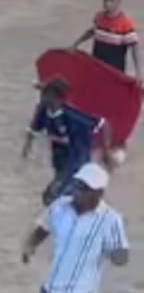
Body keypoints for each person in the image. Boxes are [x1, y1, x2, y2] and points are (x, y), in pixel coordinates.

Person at [22, 163, 129, 293]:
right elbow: (43, 229)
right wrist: (29, 247)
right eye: (77, 185)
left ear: (98, 193)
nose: (77, 192)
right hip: (49, 288)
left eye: (84, 189)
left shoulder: (110, 219)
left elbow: (122, 255)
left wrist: (116, 254)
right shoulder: (59, 206)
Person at [23, 77, 112, 205]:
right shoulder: (43, 110)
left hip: (77, 160)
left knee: (56, 197)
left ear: (55, 97)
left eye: (45, 93)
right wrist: (25, 151)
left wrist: (106, 152)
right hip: (60, 160)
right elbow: (33, 130)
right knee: (50, 196)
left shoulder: (72, 115)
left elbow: (103, 123)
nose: (41, 96)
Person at [73, 0, 140, 79]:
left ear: (119, 2)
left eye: (111, 0)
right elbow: (92, 31)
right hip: (97, 66)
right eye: (105, 0)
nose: (107, 3)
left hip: (115, 70)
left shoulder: (125, 23)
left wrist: (138, 72)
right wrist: (76, 44)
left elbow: (134, 47)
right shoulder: (99, 17)